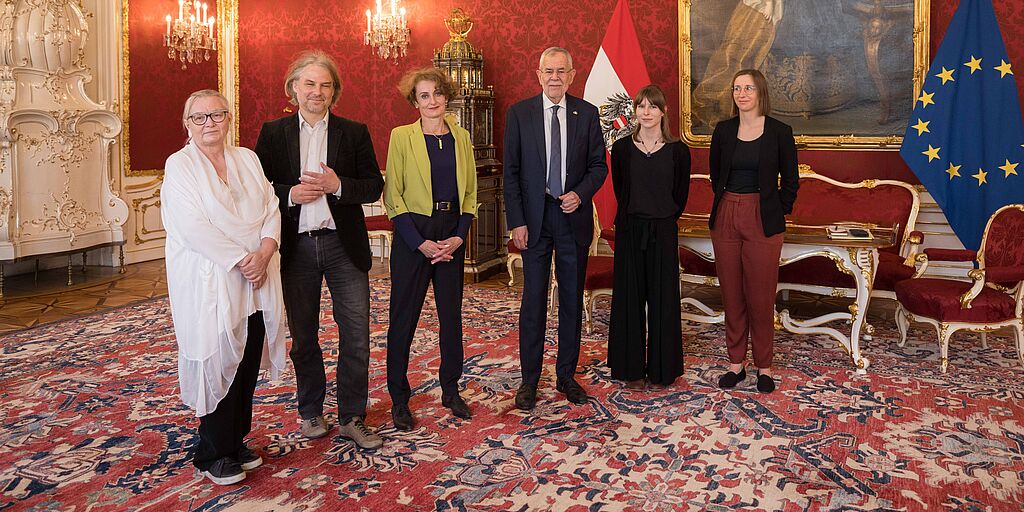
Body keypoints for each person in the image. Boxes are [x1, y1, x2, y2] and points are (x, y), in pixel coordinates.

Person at [254, 50, 385, 449]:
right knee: (305, 338)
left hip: (343, 247)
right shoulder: (273, 133)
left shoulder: (354, 131)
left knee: (357, 337)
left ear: (334, 92)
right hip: (296, 250)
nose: (317, 91)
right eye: (310, 84)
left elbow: (372, 187)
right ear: (294, 88)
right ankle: (311, 411)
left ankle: (352, 417)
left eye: (325, 85)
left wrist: (337, 186)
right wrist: (290, 193)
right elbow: (258, 192)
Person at [162, 89, 287, 485]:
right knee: (216, 356)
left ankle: (236, 441)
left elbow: (270, 207)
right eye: (198, 118)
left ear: (229, 118)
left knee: (248, 356)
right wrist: (242, 259)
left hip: (257, 276)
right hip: (211, 279)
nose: (208, 124)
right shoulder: (180, 166)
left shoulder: (246, 159)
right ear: (187, 125)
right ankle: (212, 450)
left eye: (215, 115)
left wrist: (265, 250)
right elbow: (193, 226)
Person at [504, 47, 608, 411]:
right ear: (538, 74)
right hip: (533, 222)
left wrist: (580, 194)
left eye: (561, 71)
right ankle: (529, 379)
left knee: (570, 301)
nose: (554, 77)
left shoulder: (587, 113)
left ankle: (566, 376)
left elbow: (599, 166)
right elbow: (511, 173)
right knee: (533, 301)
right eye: (548, 71)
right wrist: (516, 221)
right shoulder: (519, 114)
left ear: (572, 75)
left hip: (571, 220)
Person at [383, 68, 478, 430]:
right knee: (403, 320)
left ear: (446, 96)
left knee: (451, 319)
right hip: (415, 236)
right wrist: (420, 243)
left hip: (451, 234)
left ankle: (451, 390)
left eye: (438, 93)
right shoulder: (401, 137)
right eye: (424, 96)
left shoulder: (462, 136)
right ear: (415, 101)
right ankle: (399, 398)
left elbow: (469, 194)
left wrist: (458, 236)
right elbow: (394, 197)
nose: (433, 101)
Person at [709, 69, 799, 394]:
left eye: (748, 87)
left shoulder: (779, 131)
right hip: (726, 216)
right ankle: (736, 365)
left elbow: (791, 182)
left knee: (760, 296)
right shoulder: (723, 131)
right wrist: (729, 205)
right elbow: (714, 175)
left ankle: (765, 366)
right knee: (731, 293)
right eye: (736, 88)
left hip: (763, 217)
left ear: (760, 91)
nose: (742, 93)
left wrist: (776, 210)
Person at [607, 85, 691, 390]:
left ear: (663, 111)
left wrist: (662, 216)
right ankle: (630, 370)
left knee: (662, 300)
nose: (646, 112)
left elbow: (680, 196)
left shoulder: (678, 151)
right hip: (630, 230)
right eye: (641, 106)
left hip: (664, 230)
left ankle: (661, 370)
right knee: (629, 299)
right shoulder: (622, 150)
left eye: (652, 107)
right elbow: (621, 190)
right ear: (635, 112)